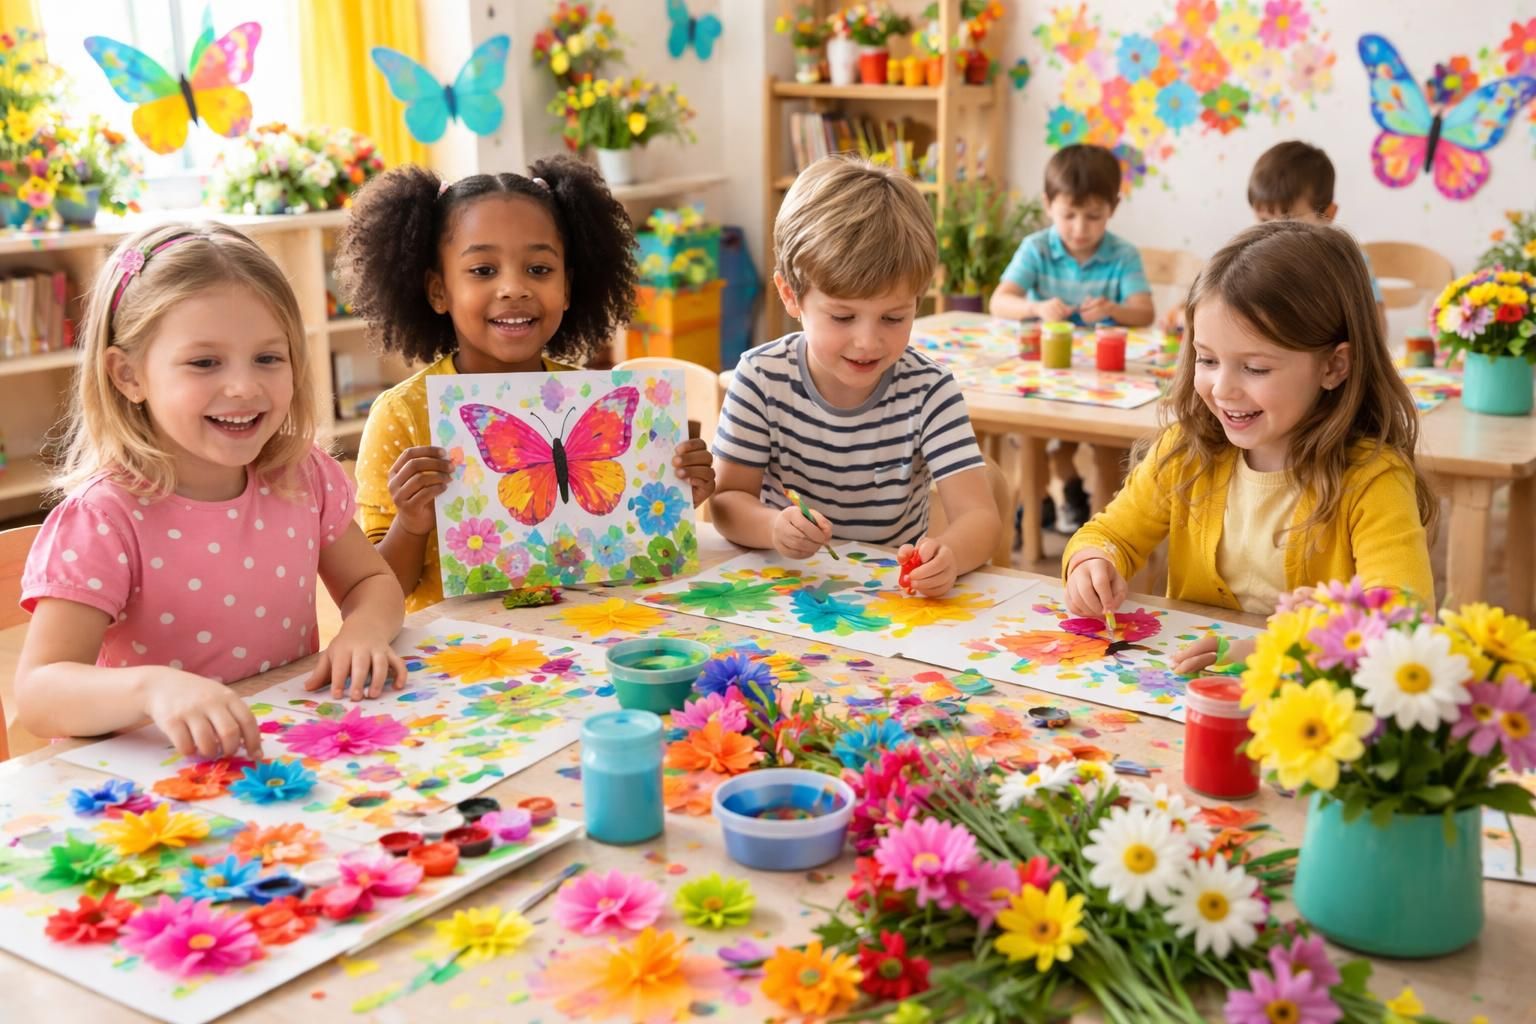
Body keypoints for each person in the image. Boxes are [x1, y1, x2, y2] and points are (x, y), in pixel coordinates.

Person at [16, 224, 408, 758]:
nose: (244, 387)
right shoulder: (105, 517)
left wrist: (362, 630)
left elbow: (371, 580)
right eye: (204, 362)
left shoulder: (302, 474)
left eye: (268, 358)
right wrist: (152, 689)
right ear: (128, 375)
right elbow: (40, 694)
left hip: (278, 757)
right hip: (155, 780)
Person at [338, 158, 716, 610]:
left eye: (539, 269)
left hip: (579, 637)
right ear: (438, 290)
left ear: (569, 287)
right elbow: (377, 592)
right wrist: (412, 522)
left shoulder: (591, 398)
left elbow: (625, 545)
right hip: (460, 653)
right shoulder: (403, 414)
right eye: (482, 270)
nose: (514, 288)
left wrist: (673, 496)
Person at [1062, 220, 1436, 675]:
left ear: (1334, 366)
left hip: (1308, 715)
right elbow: (1110, 534)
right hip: (1187, 702)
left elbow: (1405, 625)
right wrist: (1092, 561)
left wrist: (1289, 646)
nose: (1223, 389)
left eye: (1255, 368)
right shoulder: (1187, 451)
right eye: (1207, 359)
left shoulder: (1372, 479)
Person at [711, 156, 1000, 598]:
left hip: (890, 604)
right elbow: (726, 502)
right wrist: (773, 527)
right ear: (791, 295)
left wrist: (950, 556)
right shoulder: (760, 378)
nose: (868, 342)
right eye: (843, 316)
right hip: (782, 594)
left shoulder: (930, 391)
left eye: (893, 317)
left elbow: (980, 518)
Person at [990, 144, 1154, 533]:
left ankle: (1079, 507)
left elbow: (1144, 311)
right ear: (1048, 205)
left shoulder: (1122, 254)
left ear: (1112, 208)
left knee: (1100, 446)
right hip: (1047, 373)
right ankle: (1048, 500)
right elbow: (1001, 301)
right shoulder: (1038, 248)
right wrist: (1037, 307)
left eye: (1093, 216)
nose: (1080, 228)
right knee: (1041, 438)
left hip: (1102, 380)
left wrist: (1114, 309)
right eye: (1069, 215)